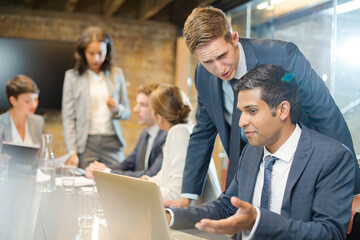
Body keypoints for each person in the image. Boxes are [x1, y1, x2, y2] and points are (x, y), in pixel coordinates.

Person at [165, 6, 359, 208]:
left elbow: (326, 113)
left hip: (300, 167)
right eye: (208, 61)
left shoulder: (282, 55)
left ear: (234, 38)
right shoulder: (203, 75)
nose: (219, 68)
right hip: (244, 172)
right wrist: (187, 195)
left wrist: (354, 190)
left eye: (222, 56)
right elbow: (203, 133)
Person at [167, 64, 355, 240]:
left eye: (252, 111)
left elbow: (329, 233)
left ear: (282, 110)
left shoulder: (332, 157)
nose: (241, 122)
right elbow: (226, 206)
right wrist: (171, 216)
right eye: (241, 112)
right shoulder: (251, 151)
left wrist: (257, 220)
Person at [62, 26, 131, 168]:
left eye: (100, 53)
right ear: (83, 53)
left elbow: (127, 112)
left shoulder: (117, 73)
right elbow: (68, 117)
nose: (96, 58)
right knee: (85, 183)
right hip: (87, 143)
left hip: (112, 141)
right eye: (91, 54)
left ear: (107, 52)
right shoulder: (72, 77)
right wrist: (72, 151)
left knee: (117, 181)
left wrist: (117, 108)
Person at [85, 84, 166, 178]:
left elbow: (151, 175)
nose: (135, 109)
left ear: (156, 108)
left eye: (143, 105)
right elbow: (127, 165)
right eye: (137, 104)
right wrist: (103, 169)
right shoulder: (145, 134)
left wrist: (107, 172)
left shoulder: (166, 137)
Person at [141, 85, 193, 200]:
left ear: (158, 117)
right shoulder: (183, 129)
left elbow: (175, 194)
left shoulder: (178, 133)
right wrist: (146, 182)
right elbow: (165, 175)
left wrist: (141, 189)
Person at [0, 74, 44, 147]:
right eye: (27, 101)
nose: (34, 105)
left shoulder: (38, 122)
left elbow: (42, 156)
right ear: (13, 100)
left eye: (35, 99)